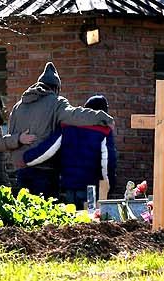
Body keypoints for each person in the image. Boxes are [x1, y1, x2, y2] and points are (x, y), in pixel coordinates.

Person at [7, 62, 114, 197]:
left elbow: (11, 134)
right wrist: (103, 117)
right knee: (47, 215)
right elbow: (75, 115)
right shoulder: (56, 102)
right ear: (56, 88)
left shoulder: (18, 106)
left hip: (21, 170)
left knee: (25, 214)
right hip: (45, 172)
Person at [22, 94, 118, 208]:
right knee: (89, 220)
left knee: (71, 221)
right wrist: (109, 185)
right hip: (91, 187)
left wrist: (27, 158)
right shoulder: (104, 131)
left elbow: (48, 149)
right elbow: (107, 163)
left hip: (69, 186)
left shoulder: (67, 126)